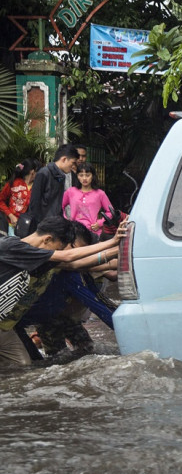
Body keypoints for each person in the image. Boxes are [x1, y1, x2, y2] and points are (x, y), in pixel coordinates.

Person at [0, 216, 125, 365]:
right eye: (59, 248)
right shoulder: (11, 247)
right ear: (47, 239)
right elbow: (67, 257)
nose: (58, 252)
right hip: (25, 321)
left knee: (24, 367)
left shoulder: (40, 258)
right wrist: (113, 242)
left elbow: (75, 264)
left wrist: (119, 250)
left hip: (7, 326)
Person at [19, 144, 78, 236]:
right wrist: (40, 227)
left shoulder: (61, 176)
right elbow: (34, 203)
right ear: (64, 159)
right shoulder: (44, 173)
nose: (73, 166)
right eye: (73, 163)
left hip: (53, 226)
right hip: (42, 228)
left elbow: (57, 204)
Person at [62, 162, 115, 237]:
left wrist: (100, 223)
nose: (84, 178)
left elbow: (111, 212)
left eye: (87, 175)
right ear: (77, 176)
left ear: (92, 176)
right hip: (74, 231)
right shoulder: (70, 192)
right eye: (81, 175)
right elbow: (60, 206)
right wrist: (66, 221)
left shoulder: (100, 194)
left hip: (93, 232)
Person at [0, 158, 40, 231]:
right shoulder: (13, 183)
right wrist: (11, 215)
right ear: (32, 172)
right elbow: (0, 200)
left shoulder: (37, 187)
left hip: (28, 228)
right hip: (10, 226)